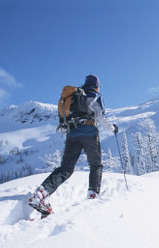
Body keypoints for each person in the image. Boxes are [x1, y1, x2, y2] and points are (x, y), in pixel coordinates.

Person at [28, 74, 118, 217]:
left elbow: (64, 119)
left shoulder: (72, 98)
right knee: (95, 165)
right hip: (89, 134)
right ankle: (93, 195)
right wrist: (113, 128)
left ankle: (41, 194)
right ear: (96, 86)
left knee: (65, 169)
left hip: (72, 135)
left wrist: (72, 135)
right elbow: (101, 117)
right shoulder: (94, 96)